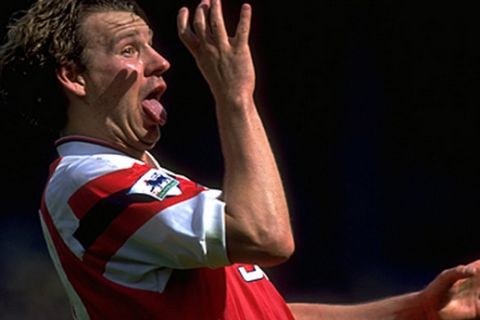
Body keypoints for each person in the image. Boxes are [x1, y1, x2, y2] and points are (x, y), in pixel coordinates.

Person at [0, 0, 479, 319]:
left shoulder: (136, 182)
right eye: (129, 49)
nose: (161, 60)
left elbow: (269, 312)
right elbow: (268, 236)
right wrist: (236, 97)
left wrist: (418, 308)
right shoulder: (89, 184)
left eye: (151, 44)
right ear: (73, 77)